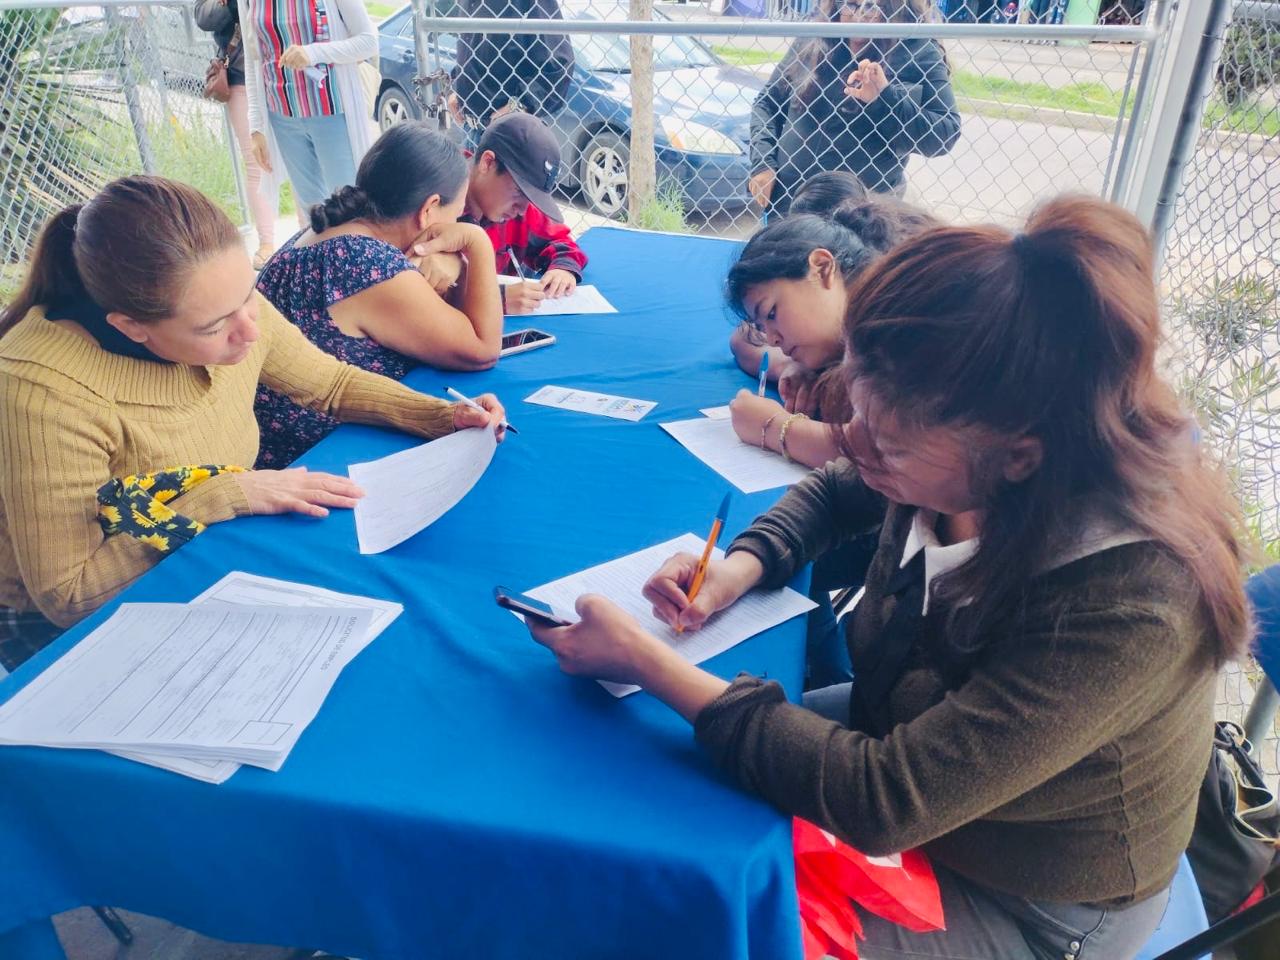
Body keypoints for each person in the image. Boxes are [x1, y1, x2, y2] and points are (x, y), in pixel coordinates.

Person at [523, 196, 1250, 959]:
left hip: (1034, 900)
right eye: (858, 415)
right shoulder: (951, 454)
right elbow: (839, 490)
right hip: (902, 740)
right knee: (647, 777)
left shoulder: (1130, 598)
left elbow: (883, 799)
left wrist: (647, 660)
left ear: (1018, 456)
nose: (856, 448)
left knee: (711, 923)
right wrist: (735, 571)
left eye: (889, 445)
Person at [0, 176, 504, 671]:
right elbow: (69, 596)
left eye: (248, 295)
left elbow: (331, 385)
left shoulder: (223, 300)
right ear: (130, 328)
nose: (250, 330)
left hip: (207, 552)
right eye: (215, 326)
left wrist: (441, 416)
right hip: (75, 629)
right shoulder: (42, 392)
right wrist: (226, 495)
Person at [254, 123, 503, 468]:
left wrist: (453, 263)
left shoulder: (328, 231)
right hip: (308, 459)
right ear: (429, 209)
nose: (458, 223)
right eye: (457, 214)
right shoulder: (365, 261)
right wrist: (476, 242)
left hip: (275, 443)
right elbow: (482, 349)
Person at [728, 196, 939, 469]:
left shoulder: (897, 322)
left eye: (771, 314)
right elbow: (743, 339)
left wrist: (773, 427)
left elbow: (888, 455)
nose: (772, 339)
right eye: (762, 326)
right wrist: (790, 367)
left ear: (822, 268)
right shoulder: (837, 325)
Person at [749, 0, 961, 215]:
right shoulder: (816, 36)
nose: (859, 15)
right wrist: (762, 162)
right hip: (790, 202)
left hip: (861, 215)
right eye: (850, 4)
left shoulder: (917, 50)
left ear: (893, 7)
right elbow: (768, 102)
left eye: (871, 7)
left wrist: (884, 98)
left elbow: (944, 135)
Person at [241, 0, 377, 219]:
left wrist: (313, 53)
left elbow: (368, 41)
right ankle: (321, 254)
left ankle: (352, 252)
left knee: (348, 205)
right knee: (311, 210)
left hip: (332, 111)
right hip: (282, 115)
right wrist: (256, 126)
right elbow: (253, 58)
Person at [461, 113, 588, 316]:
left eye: (531, 198)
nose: (521, 209)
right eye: (520, 191)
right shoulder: (439, 202)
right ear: (487, 163)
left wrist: (562, 269)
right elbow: (417, 294)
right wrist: (496, 299)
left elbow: (559, 242)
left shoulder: (518, 210)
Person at [194, 0, 277, 270]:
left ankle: (308, 232)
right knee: (255, 162)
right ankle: (267, 242)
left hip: (283, 73)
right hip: (241, 75)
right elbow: (204, 16)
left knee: (299, 155)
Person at [453, 0, 574, 132]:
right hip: (469, 126)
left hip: (509, 131)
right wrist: (456, 89)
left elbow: (559, 63)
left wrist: (520, 106)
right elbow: (472, 50)